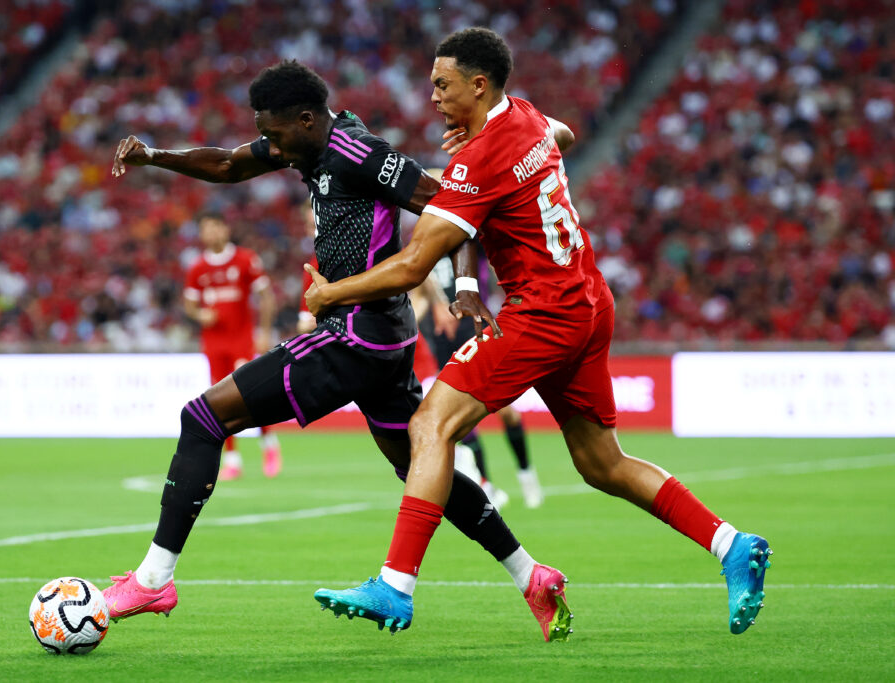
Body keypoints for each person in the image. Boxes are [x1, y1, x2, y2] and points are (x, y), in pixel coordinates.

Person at [307, 28, 772, 637]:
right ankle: (731, 543)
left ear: (478, 85)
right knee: (602, 463)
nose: (433, 97)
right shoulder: (525, 116)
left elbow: (415, 264)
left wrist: (331, 293)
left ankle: (395, 585)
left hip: (543, 311)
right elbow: (564, 134)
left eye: (442, 85)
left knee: (430, 425)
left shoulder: (477, 160)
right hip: (588, 300)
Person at [101, 60, 570, 640]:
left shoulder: (360, 153)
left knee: (203, 418)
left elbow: (451, 206)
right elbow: (228, 164)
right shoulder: (306, 145)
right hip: (384, 339)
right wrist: (155, 157)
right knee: (421, 467)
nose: (271, 147)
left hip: (355, 335)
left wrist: (467, 283)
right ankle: (530, 574)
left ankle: (153, 580)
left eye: (275, 135)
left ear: (306, 119)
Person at [422, 252, 543, 509]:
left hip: (479, 333)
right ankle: (487, 487)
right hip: (444, 341)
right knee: (463, 421)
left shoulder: (467, 242)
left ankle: (526, 473)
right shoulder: (425, 248)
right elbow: (420, 291)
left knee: (508, 413)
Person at [183, 212, 281, 480]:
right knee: (218, 401)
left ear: (225, 229)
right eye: (206, 228)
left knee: (250, 395)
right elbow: (189, 305)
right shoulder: (197, 267)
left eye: (216, 227)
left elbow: (266, 297)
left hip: (241, 340)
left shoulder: (245, 259)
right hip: (214, 343)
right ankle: (232, 459)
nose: (212, 233)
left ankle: (269, 444)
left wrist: (264, 332)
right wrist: (200, 314)